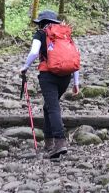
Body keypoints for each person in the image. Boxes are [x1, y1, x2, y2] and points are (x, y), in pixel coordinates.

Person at [19, 9, 80, 158]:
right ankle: (48, 141)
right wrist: (76, 82)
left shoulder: (40, 34)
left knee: (53, 107)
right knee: (48, 106)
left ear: (41, 23)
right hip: (65, 76)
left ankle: (60, 142)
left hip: (48, 75)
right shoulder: (65, 35)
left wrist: (25, 67)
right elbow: (75, 57)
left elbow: (34, 53)